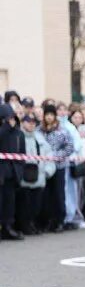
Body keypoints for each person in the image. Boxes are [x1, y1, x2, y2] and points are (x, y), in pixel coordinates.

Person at [17, 114, 55, 235]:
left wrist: (48, 171)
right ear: (22, 123)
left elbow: (49, 156)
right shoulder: (18, 137)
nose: (31, 124)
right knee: (24, 206)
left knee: (36, 206)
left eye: (33, 122)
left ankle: (33, 224)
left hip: (39, 177)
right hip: (23, 178)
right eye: (28, 121)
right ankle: (25, 226)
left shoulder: (40, 139)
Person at [40, 105, 74, 232]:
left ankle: (60, 220)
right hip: (44, 167)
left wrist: (56, 156)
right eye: (47, 114)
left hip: (59, 166)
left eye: (51, 114)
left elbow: (69, 147)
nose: (49, 117)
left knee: (59, 194)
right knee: (46, 195)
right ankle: (48, 220)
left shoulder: (63, 130)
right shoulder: (40, 130)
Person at [0, 103, 24, 240]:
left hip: (12, 173)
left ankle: (8, 227)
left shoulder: (18, 134)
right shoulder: (2, 131)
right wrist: (5, 127)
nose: (11, 121)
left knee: (10, 203)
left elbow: (22, 155)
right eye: (8, 118)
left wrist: (19, 170)